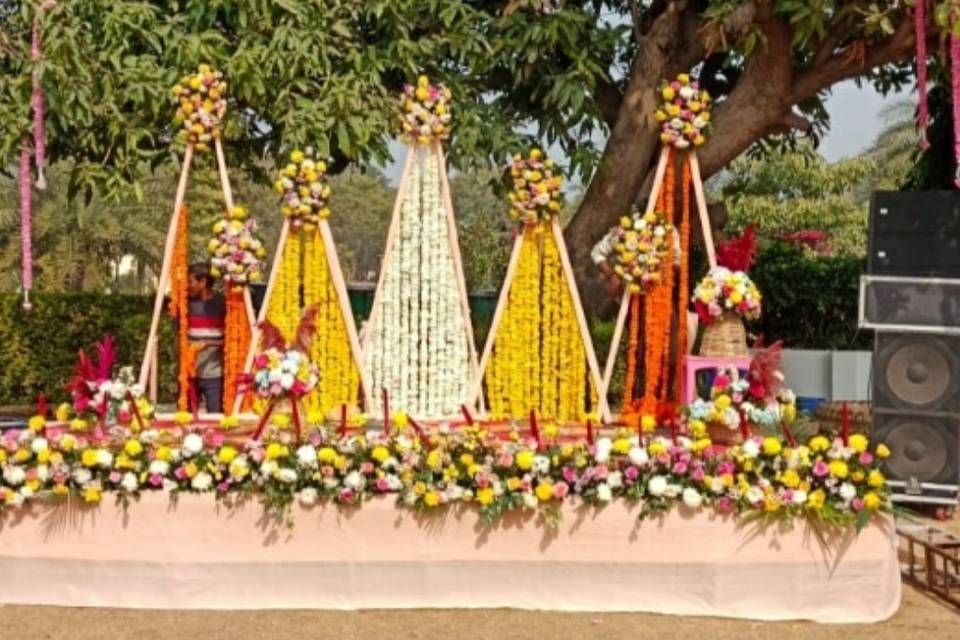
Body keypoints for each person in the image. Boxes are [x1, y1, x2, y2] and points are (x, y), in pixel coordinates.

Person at [187, 263, 226, 413]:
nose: (188, 286)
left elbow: (230, 342)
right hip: (190, 373)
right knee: (188, 420)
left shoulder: (222, 304)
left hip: (214, 375)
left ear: (202, 282)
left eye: (191, 282)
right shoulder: (186, 304)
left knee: (215, 419)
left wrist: (208, 343)